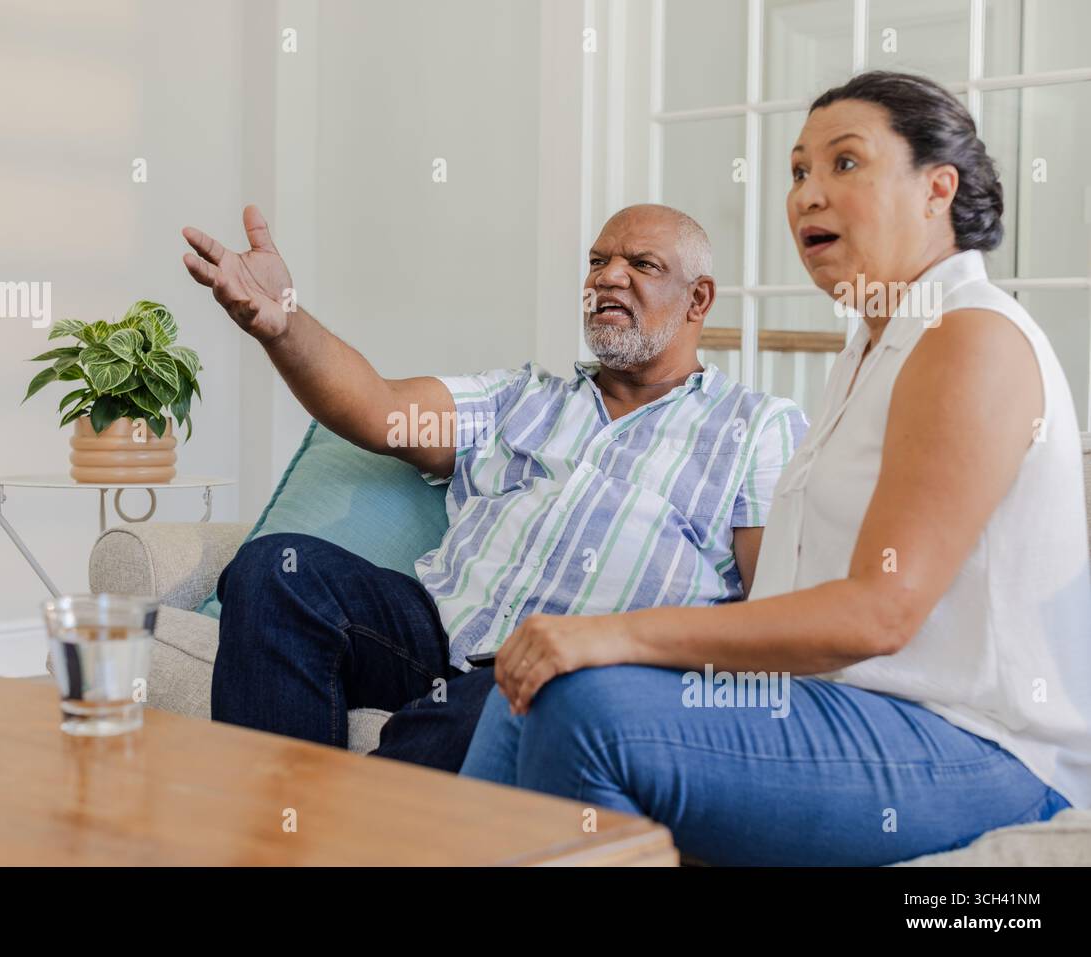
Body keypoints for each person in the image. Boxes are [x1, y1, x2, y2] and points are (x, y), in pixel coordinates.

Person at [459, 71, 1091, 865]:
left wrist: (613, 635)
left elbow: (878, 614)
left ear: (938, 189)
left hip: (983, 749)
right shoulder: (870, 347)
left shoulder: (969, 338)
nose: (808, 195)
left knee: (587, 708)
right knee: (526, 685)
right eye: (798, 171)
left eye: (845, 163)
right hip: (843, 711)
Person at [181, 203, 806, 771]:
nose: (608, 277)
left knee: (494, 706)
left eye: (641, 263)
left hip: (575, 674)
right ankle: (280, 827)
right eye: (597, 261)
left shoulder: (756, 427)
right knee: (276, 570)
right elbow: (377, 407)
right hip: (434, 634)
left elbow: (776, 609)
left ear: (698, 300)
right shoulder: (522, 397)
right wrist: (282, 323)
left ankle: (344, 829)